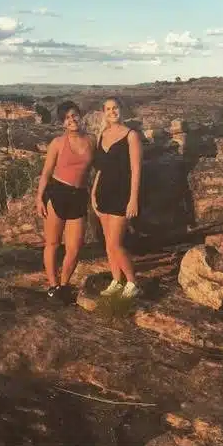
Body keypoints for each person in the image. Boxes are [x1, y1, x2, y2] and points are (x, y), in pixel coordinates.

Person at [35, 100, 93, 299]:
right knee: (52, 243)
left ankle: (65, 285)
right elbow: (46, 173)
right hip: (57, 194)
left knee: (74, 248)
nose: (71, 120)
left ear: (80, 116)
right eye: (67, 118)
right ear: (62, 123)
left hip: (79, 196)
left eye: (74, 115)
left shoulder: (91, 141)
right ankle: (53, 286)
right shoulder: (58, 143)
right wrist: (39, 199)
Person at [91, 96, 142, 299]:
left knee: (115, 243)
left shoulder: (131, 135)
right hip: (103, 193)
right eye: (108, 109)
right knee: (108, 243)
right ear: (104, 112)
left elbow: (136, 170)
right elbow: (100, 170)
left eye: (115, 108)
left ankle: (132, 282)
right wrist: (93, 194)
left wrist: (133, 199)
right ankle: (116, 280)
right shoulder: (102, 135)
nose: (112, 112)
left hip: (122, 195)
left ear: (121, 109)